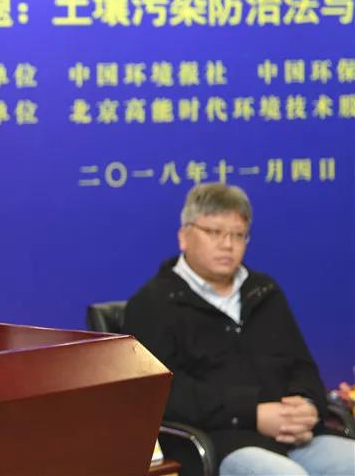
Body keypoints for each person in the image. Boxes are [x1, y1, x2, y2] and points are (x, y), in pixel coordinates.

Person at [124, 182, 354, 476]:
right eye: (214, 232)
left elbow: (301, 365)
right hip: (222, 442)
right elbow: (164, 394)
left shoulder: (263, 291)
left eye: (238, 234)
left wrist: (306, 405)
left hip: (294, 436)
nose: (227, 245)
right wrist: (250, 413)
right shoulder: (153, 304)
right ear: (183, 237)